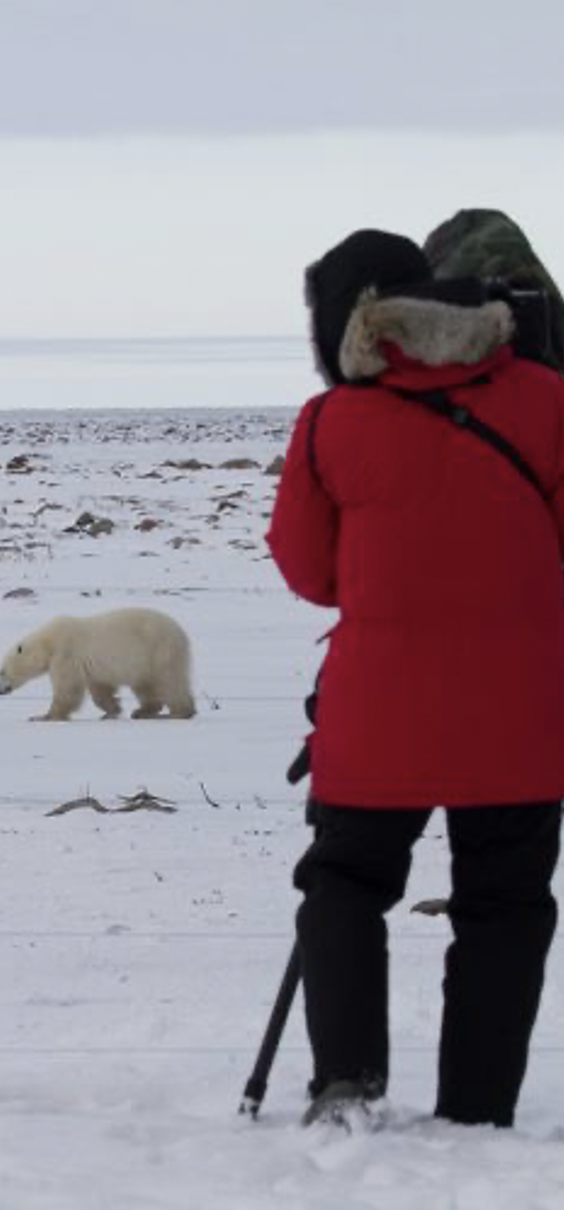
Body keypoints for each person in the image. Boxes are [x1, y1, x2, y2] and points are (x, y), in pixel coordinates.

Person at [267, 228, 564, 1128]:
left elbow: (310, 572)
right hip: (524, 711)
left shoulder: (332, 422)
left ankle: (348, 1082)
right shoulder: (550, 401)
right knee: (506, 903)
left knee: (345, 887)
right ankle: (478, 1109)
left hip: (378, 711)